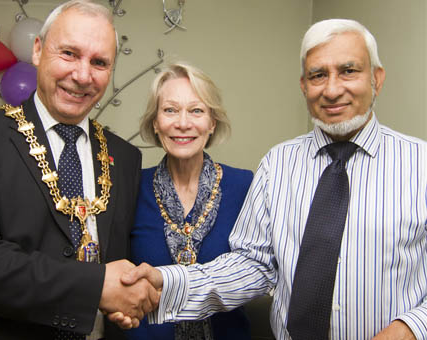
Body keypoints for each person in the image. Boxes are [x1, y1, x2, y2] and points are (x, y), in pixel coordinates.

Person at [111, 19, 427, 340]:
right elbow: (254, 265)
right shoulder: (278, 164)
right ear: (304, 85)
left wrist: (409, 329)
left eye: (348, 71)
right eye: (318, 75)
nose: (332, 90)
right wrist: (171, 283)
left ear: (377, 78)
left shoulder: (421, 166)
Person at [0, 1, 159, 340]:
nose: (82, 75)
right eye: (70, 54)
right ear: (38, 49)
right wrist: (95, 287)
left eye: (99, 62)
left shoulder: (126, 157)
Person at [126, 63, 253, 340]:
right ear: (155, 123)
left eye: (196, 110)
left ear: (212, 123)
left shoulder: (245, 186)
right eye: (170, 110)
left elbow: (257, 272)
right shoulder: (130, 188)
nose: (183, 123)